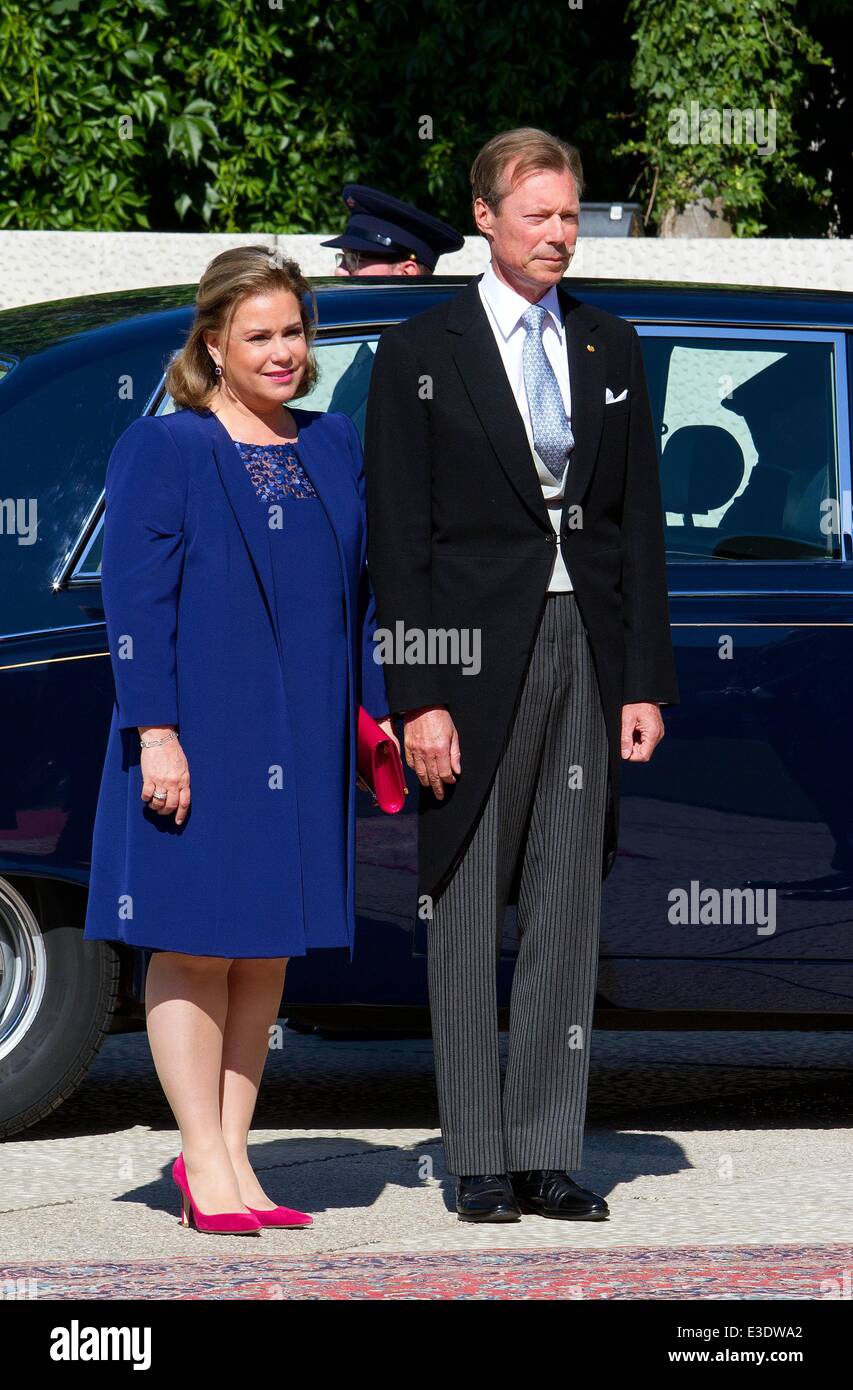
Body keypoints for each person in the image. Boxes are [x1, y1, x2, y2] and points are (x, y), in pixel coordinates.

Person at [364, 127, 679, 1222]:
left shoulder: (611, 346)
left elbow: (636, 528)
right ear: (486, 218)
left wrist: (643, 681)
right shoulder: (419, 353)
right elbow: (399, 544)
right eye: (538, 214)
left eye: (570, 213)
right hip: (467, 661)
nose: (559, 233)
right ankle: (478, 1154)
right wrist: (420, 698)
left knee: (563, 901)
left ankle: (548, 1148)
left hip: (584, 652)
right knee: (464, 906)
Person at [83, 245, 395, 1234]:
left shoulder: (332, 442)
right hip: (199, 731)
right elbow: (134, 600)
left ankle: (234, 1157)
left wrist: (375, 710)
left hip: (299, 733)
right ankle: (202, 1163)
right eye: (256, 335)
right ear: (212, 342)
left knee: (265, 952)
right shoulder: (167, 448)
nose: (280, 352)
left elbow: (360, 594)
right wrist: (157, 733)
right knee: (193, 941)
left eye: (292, 332)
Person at [321, 185, 465, 436]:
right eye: (342, 259)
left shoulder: (435, 362)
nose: (340, 271)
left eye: (355, 260)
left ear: (407, 272)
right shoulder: (368, 348)